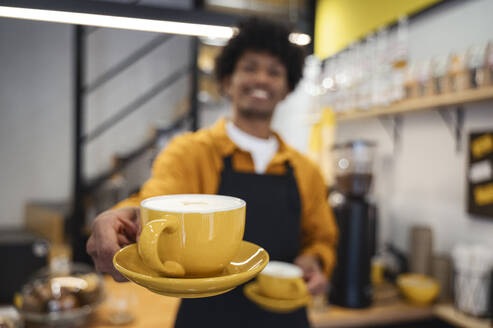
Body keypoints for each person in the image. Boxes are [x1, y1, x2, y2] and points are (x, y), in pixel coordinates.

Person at [87, 17, 338, 328]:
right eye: (249, 67)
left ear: (287, 88)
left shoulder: (306, 170)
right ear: (226, 81)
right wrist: (124, 217)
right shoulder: (190, 152)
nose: (261, 78)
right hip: (206, 317)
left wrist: (315, 262)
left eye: (274, 71)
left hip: (286, 317)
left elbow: (322, 239)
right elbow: (157, 198)